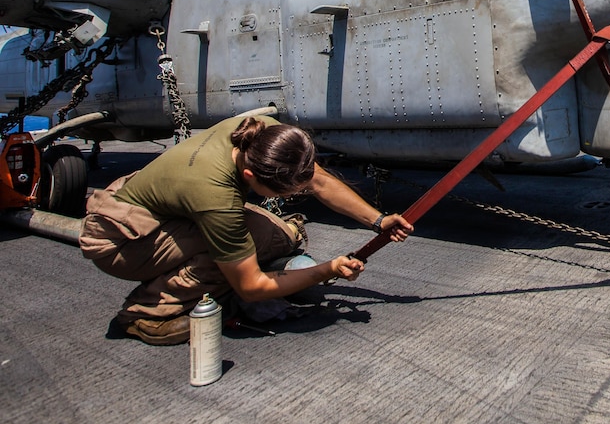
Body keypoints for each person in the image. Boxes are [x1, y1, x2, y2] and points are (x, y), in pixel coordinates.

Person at [79, 115, 413, 345]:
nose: (295, 195)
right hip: (119, 239)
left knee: (282, 236)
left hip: (164, 212)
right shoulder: (216, 198)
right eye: (287, 193)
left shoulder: (264, 134)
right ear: (252, 179)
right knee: (231, 257)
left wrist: (379, 220)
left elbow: (319, 180)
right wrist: (327, 269)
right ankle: (149, 313)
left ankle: (230, 272)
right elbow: (252, 286)